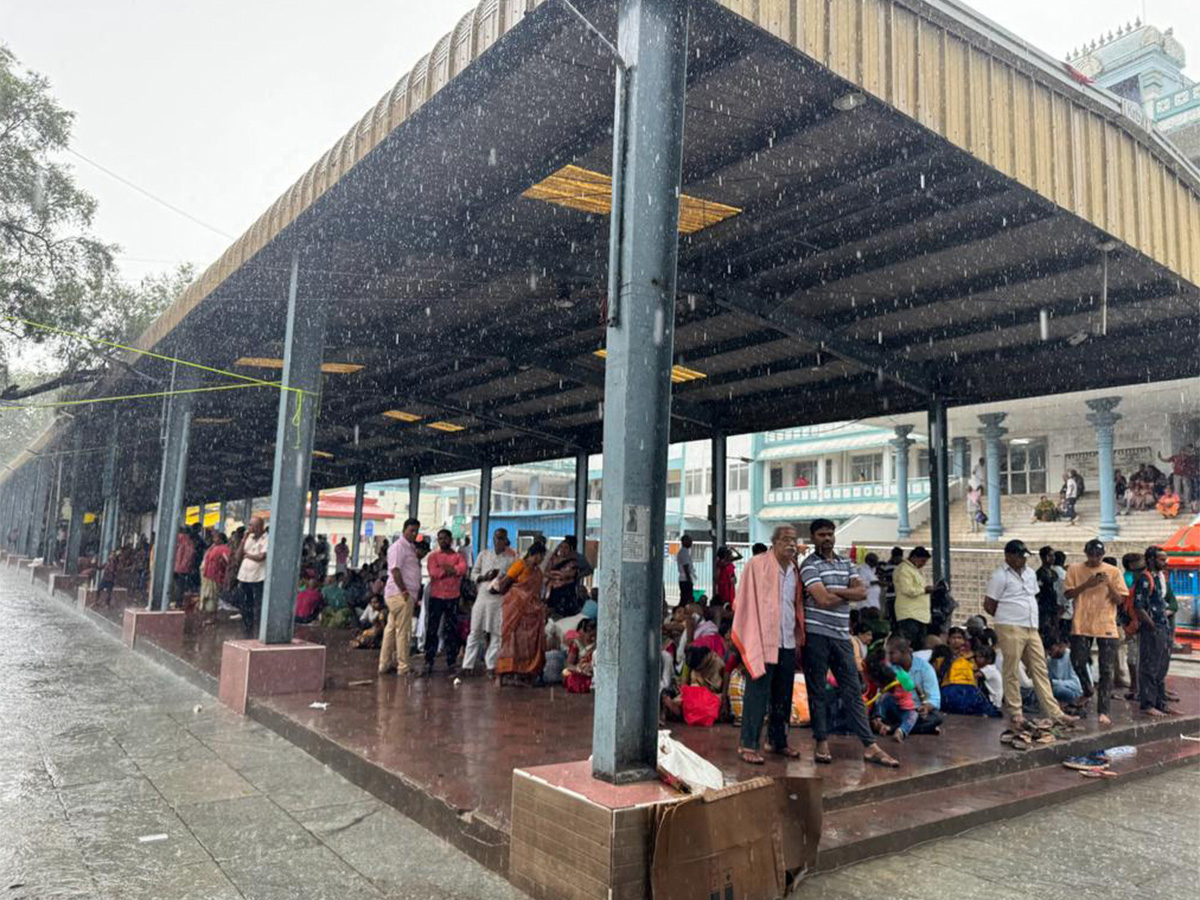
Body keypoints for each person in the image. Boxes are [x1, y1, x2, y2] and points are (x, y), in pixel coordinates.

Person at [800, 519, 899, 768]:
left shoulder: (845, 562)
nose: (827, 538)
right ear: (813, 538)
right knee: (818, 690)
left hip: (841, 635)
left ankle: (869, 745)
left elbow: (862, 592)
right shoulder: (809, 565)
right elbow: (821, 599)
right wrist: (845, 591)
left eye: (830, 534)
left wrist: (837, 590)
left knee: (853, 690)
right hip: (817, 634)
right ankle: (821, 740)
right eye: (822, 534)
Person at [729, 525, 805, 765]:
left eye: (794, 540)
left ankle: (777, 741)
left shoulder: (795, 569)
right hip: (761, 639)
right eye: (785, 539)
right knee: (757, 694)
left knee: (783, 694)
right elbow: (743, 601)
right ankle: (748, 744)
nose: (791, 544)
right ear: (773, 542)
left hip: (787, 639)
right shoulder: (756, 565)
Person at [984, 540, 1077, 729]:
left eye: (1024, 556)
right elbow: (989, 605)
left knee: (1039, 667)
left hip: (1031, 625)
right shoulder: (1000, 576)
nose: (1023, 559)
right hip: (1010, 625)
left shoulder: (1029, 574)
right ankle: (1016, 711)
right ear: (1008, 556)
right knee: (1011, 668)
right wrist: (1007, 617)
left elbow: (1032, 596)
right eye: (1019, 556)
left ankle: (1054, 712)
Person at [1063, 538, 1126, 725]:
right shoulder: (1074, 569)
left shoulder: (1113, 571)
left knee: (1107, 669)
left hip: (1106, 624)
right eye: (1091, 555)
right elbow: (1067, 594)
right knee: (1077, 660)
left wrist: (1108, 585)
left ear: (1103, 555)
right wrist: (1087, 585)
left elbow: (1120, 600)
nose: (1095, 559)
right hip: (1082, 623)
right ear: (1085, 553)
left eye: (1098, 556)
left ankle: (1103, 710)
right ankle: (1087, 688)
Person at [462, 528, 518, 676]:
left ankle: (491, 666)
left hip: (499, 600)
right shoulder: (484, 554)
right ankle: (467, 666)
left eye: (502, 538)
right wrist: (484, 577)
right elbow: (473, 574)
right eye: (497, 538)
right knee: (475, 632)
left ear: (506, 540)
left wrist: (502, 585)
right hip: (482, 598)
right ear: (493, 540)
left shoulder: (512, 559)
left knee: (496, 634)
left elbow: (514, 580)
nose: (499, 541)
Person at [496, 542, 549, 686]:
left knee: (527, 643)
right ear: (535, 554)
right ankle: (502, 675)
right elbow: (504, 585)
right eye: (542, 556)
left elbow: (538, 593)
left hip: (531, 613)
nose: (542, 559)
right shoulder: (519, 565)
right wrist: (519, 595)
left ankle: (523, 675)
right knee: (510, 640)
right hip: (515, 610)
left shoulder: (537, 572)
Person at [1134, 546, 1177, 717]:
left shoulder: (1159, 578)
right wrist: (1151, 624)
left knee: (1161, 666)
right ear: (1151, 559)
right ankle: (1148, 704)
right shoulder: (1144, 579)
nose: (1165, 562)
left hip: (1162, 627)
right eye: (1161, 559)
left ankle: (1160, 702)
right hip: (1152, 628)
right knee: (1149, 667)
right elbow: (1139, 606)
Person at [379, 518, 421, 677]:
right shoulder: (398, 547)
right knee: (403, 631)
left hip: (398, 593)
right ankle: (403, 667)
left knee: (391, 629)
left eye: (416, 531)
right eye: (412, 530)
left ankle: (385, 664)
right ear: (404, 530)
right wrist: (404, 590)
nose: (414, 534)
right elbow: (395, 570)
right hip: (401, 593)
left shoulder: (409, 547)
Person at [423, 528, 466, 676]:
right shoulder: (433, 556)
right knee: (432, 629)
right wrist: (451, 571)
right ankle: (429, 660)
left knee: (451, 630)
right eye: (440, 538)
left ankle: (451, 661)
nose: (442, 541)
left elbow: (463, 570)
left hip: (453, 597)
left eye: (445, 538)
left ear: (451, 540)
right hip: (436, 596)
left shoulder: (459, 556)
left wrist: (447, 569)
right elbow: (434, 573)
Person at [887, 636, 943, 735]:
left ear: (904, 652)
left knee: (937, 717)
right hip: (898, 709)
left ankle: (892, 729)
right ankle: (918, 728)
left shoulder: (925, 668)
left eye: (892, 653)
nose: (889, 657)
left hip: (917, 711)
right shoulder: (890, 668)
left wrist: (926, 707)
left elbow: (935, 699)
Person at [892, 546, 933, 650]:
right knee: (908, 645)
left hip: (920, 615)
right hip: (909, 614)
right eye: (922, 561)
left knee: (919, 645)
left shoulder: (915, 570)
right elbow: (907, 590)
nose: (923, 564)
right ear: (914, 557)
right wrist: (924, 590)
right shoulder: (904, 569)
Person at [235, 517, 268, 637]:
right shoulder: (248, 538)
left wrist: (248, 555)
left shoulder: (266, 538)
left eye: (252, 525)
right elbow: (238, 556)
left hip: (258, 576)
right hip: (244, 576)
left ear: (260, 527)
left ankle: (258, 629)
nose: (250, 528)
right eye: (250, 525)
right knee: (245, 603)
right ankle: (247, 627)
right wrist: (243, 539)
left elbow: (261, 557)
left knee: (257, 604)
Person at [198, 532, 230, 625]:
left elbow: (228, 561)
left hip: (214, 575)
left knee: (212, 596)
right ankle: (208, 615)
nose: (214, 539)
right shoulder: (213, 547)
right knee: (207, 595)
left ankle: (212, 617)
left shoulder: (224, 549)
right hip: (207, 574)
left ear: (221, 539)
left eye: (216, 538)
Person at [562, 617, 597, 693]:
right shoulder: (577, 643)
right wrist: (579, 669)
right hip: (580, 671)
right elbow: (568, 664)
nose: (593, 638)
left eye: (595, 636)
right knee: (567, 674)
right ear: (585, 632)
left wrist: (592, 669)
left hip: (593, 672)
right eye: (591, 635)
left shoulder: (598, 645)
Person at [1035, 546, 1059, 641]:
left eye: (1053, 556)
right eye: (1050, 556)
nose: (1053, 558)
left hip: (1053, 607)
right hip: (1044, 608)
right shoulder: (1040, 574)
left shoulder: (1054, 573)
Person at [676, 535, 696, 606]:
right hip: (685, 579)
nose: (691, 542)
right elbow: (686, 567)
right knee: (685, 599)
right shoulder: (684, 552)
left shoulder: (685, 552)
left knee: (685, 598)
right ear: (684, 542)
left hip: (684, 579)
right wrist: (689, 580)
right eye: (689, 541)